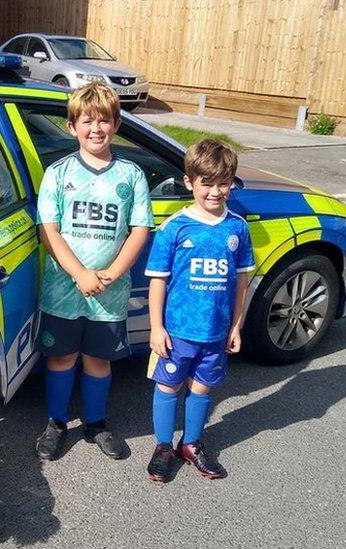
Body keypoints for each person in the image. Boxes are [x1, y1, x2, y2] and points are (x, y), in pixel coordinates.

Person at [34, 82, 154, 461]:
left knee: (98, 360)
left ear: (117, 124)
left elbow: (140, 229)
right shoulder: (57, 172)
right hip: (63, 289)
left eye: (104, 120)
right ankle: (56, 423)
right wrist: (80, 274)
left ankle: (96, 423)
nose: (96, 129)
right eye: (87, 121)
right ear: (72, 127)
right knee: (61, 358)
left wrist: (114, 272)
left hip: (110, 291)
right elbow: (47, 231)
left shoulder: (131, 175)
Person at [143, 139, 255, 482]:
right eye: (206, 183)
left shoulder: (237, 227)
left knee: (203, 388)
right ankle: (163, 446)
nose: (215, 192)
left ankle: (191, 443)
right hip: (177, 332)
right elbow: (158, 282)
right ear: (190, 182)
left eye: (224, 183)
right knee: (168, 387)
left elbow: (240, 283)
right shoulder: (175, 228)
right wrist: (156, 327)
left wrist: (235, 326)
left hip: (216, 333)